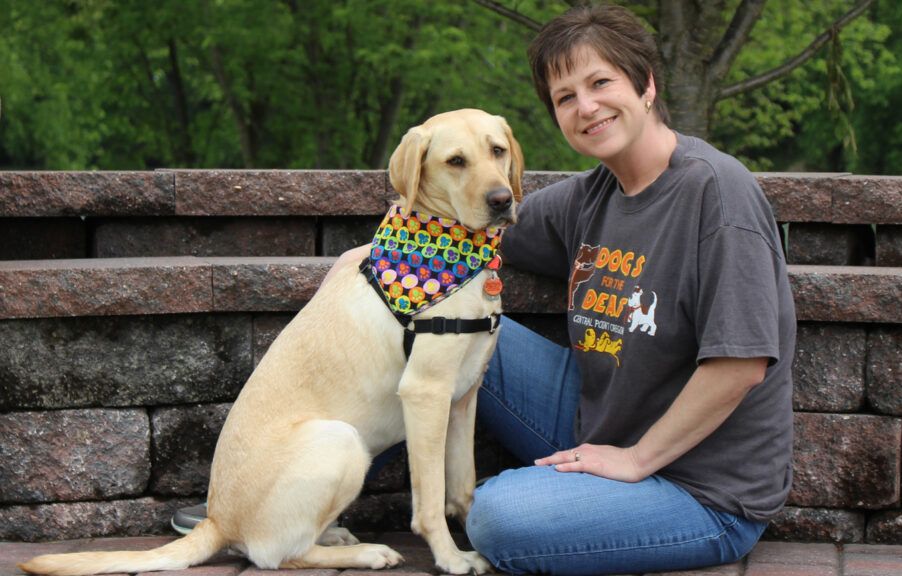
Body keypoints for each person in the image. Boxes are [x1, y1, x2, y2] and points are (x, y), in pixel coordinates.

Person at [172, 5, 795, 574]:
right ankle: (269, 503)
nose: (586, 107)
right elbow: (458, 229)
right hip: (600, 421)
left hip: (701, 490)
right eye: (565, 95)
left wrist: (634, 461)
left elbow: (740, 365)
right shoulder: (592, 196)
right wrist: (369, 262)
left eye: (601, 83)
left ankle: (295, 510)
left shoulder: (718, 195)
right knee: (437, 329)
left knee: (497, 519)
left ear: (647, 84)